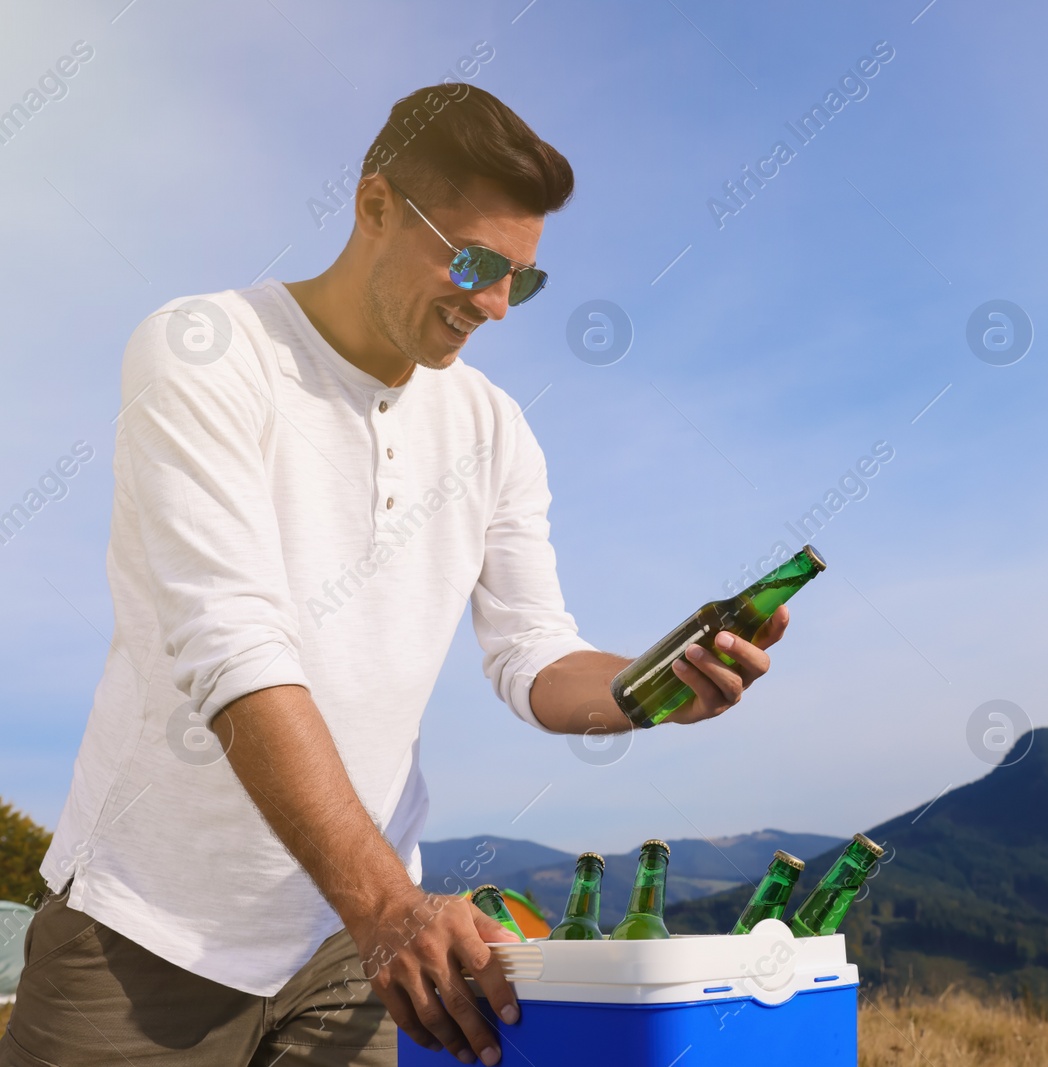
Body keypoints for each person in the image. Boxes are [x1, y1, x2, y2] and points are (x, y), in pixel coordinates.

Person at [0, 83, 790, 1067]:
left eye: (523, 282)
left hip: (353, 954)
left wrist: (649, 688)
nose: (497, 304)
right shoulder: (206, 350)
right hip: (147, 928)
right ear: (374, 205)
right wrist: (386, 906)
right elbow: (232, 646)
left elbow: (533, 652)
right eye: (474, 262)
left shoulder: (493, 429)